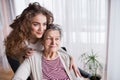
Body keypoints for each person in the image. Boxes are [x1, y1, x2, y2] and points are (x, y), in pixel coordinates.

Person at [5, 2, 80, 77]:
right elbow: (12, 53)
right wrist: (22, 52)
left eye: (44, 24)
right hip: (26, 67)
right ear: (26, 24)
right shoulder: (19, 40)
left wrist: (69, 56)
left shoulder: (44, 35)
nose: (41, 29)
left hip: (42, 64)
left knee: (70, 65)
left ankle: (89, 76)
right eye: (36, 24)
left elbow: (56, 47)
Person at [12, 24, 83, 80]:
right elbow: (18, 78)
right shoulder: (32, 58)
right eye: (49, 38)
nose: (53, 42)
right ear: (42, 41)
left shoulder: (66, 58)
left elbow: (77, 78)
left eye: (57, 39)